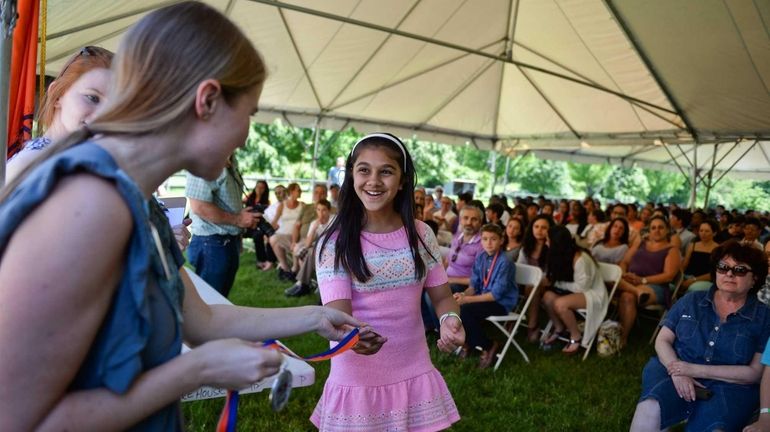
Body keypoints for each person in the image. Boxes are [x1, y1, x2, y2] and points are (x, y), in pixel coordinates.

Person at [0, 3, 364, 429]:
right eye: (248, 112)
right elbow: (17, 419)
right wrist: (197, 370)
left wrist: (317, 317)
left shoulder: (139, 202)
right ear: (207, 100)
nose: (246, 135)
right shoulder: (88, 205)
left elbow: (201, 319)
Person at [313, 132, 464, 431]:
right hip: (357, 379)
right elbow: (338, 316)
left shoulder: (421, 234)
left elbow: (444, 298)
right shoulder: (336, 242)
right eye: (364, 170)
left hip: (415, 370)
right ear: (351, 175)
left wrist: (449, 320)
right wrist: (352, 338)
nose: (374, 181)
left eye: (386, 171)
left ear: (403, 180)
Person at [631, 241, 770, 432]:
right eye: (723, 267)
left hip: (730, 385)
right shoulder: (691, 300)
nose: (729, 273)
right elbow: (662, 340)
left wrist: (693, 370)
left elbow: (754, 373)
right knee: (650, 408)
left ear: (755, 278)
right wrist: (678, 371)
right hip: (672, 367)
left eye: (739, 270)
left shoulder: (764, 317)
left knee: (715, 428)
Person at [7, 46, 113, 180]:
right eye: (92, 98)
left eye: (114, 107)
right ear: (56, 94)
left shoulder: (71, 162)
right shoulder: (31, 165)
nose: (102, 116)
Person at [186, 155, 258, 297]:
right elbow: (199, 206)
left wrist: (240, 219)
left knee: (220, 300)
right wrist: (238, 220)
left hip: (226, 242)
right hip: (212, 244)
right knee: (210, 303)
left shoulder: (231, 158)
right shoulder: (205, 160)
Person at [454, 224, 518, 369]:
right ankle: (468, 342)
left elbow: (495, 295)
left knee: (466, 310)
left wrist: (467, 300)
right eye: (485, 239)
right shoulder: (481, 257)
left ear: (501, 240)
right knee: (454, 304)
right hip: (483, 298)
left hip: (501, 304)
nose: (489, 243)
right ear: (481, 241)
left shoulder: (505, 262)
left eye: (493, 239)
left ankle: (488, 346)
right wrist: (463, 294)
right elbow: (474, 285)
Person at [541, 225, 609, 355]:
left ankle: (575, 336)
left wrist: (555, 283)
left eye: (548, 239)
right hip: (574, 292)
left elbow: (582, 287)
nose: (546, 242)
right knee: (547, 297)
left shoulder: (580, 258)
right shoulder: (558, 254)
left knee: (560, 304)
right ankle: (559, 328)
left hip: (592, 294)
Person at [618, 216, 681, 346]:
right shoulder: (640, 243)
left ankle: (622, 337)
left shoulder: (672, 250)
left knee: (627, 296)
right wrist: (624, 274)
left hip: (655, 287)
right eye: (653, 228)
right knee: (620, 287)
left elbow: (668, 276)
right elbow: (624, 261)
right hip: (631, 282)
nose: (656, 230)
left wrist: (643, 280)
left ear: (667, 230)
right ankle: (619, 334)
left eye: (660, 227)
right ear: (649, 230)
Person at [284, 198, 336, 297]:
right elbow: (307, 244)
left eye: (324, 210)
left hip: (333, 248)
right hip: (319, 248)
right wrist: (314, 228)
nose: (321, 213)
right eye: (318, 210)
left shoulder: (334, 220)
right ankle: (305, 284)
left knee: (311, 252)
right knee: (306, 252)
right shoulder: (314, 223)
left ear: (329, 210)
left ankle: (302, 284)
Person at [517, 215, 553, 342]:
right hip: (526, 282)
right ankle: (511, 320)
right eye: (536, 226)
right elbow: (520, 268)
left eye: (544, 228)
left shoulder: (552, 248)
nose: (539, 230)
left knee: (532, 286)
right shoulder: (526, 247)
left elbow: (551, 274)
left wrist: (534, 278)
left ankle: (532, 325)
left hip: (546, 284)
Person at [268, 182, 305, 281]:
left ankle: (295, 270)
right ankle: (285, 268)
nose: (300, 191)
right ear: (291, 191)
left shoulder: (303, 205)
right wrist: (268, 229)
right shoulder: (282, 206)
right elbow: (274, 222)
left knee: (296, 241)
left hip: (297, 234)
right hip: (284, 234)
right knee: (273, 239)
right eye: (298, 190)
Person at [445, 204, 485, 293]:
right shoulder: (457, 236)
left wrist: (450, 280)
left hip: (463, 285)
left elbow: (478, 278)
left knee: (435, 294)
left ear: (480, 222)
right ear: (460, 220)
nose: (469, 222)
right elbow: (448, 261)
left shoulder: (482, 245)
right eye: (465, 218)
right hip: (447, 278)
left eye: (474, 219)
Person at [244, 179, 276, 269]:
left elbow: (266, 215)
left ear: (265, 190)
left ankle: (262, 260)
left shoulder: (267, 202)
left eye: (262, 188)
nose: (259, 189)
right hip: (247, 224)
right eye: (258, 187)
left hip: (258, 225)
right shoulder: (249, 197)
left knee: (259, 235)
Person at [681, 219, 720, 292]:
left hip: (705, 280)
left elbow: (714, 273)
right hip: (688, 276)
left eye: (707, 231)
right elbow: (684, 265)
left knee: (693, 288)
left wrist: (694, 280)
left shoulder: (718, 249)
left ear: (714, 233)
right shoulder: (692, 245)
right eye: (701, 231)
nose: (703, 233)